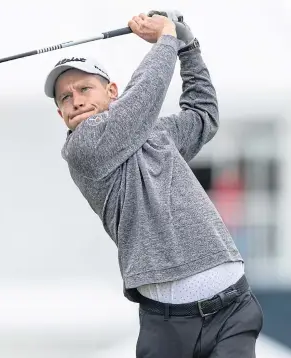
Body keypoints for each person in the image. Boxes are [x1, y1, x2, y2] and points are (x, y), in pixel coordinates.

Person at [43, 10, 264, 358]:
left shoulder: (154, 132)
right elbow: (141, 100)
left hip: (232, 309)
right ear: (61, 115)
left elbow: (203, 114)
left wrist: (188, 47)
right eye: (65, 98)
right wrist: (167, 38)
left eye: (84, 88)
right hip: (168, 326)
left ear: (111, 91)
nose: (76, 100)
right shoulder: (81, 150)